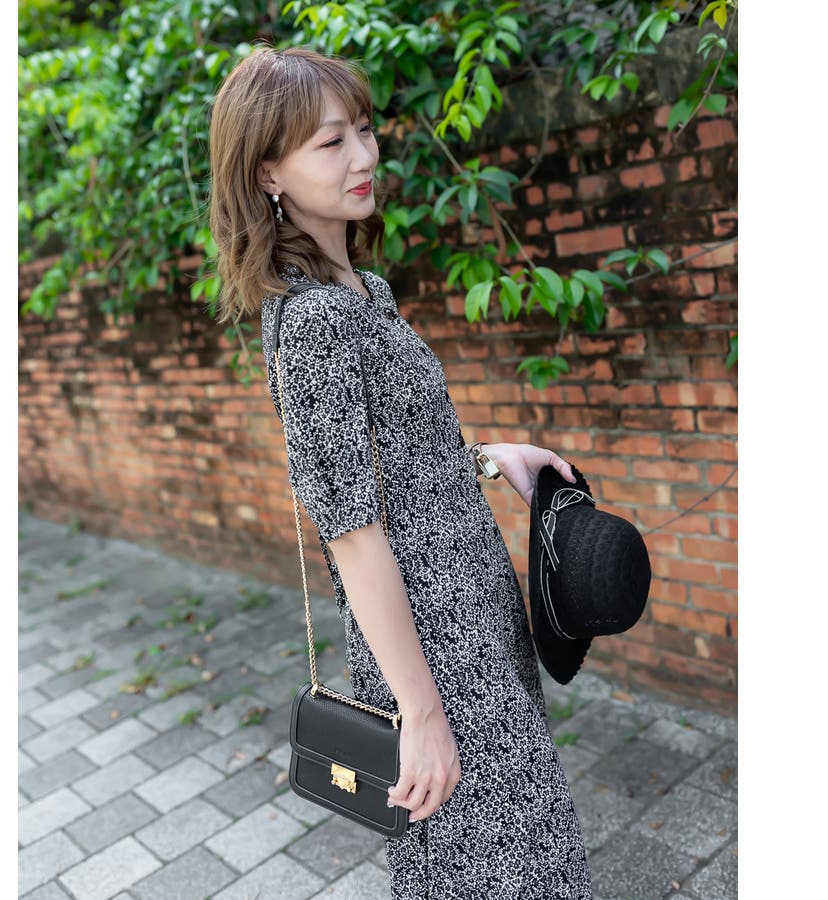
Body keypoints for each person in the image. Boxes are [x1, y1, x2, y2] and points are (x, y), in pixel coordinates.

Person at [208, 44, 593, 899]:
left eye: (365, 131)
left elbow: (403, 454)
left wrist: (492, 458)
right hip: (433, 646)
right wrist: (420, 713)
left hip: (477, 612)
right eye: (330, 142)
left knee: (515, 857)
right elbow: (350, 531)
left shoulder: (364, 292)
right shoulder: (313, 322)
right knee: (508, 866)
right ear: (268, 172)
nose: (363, 156)